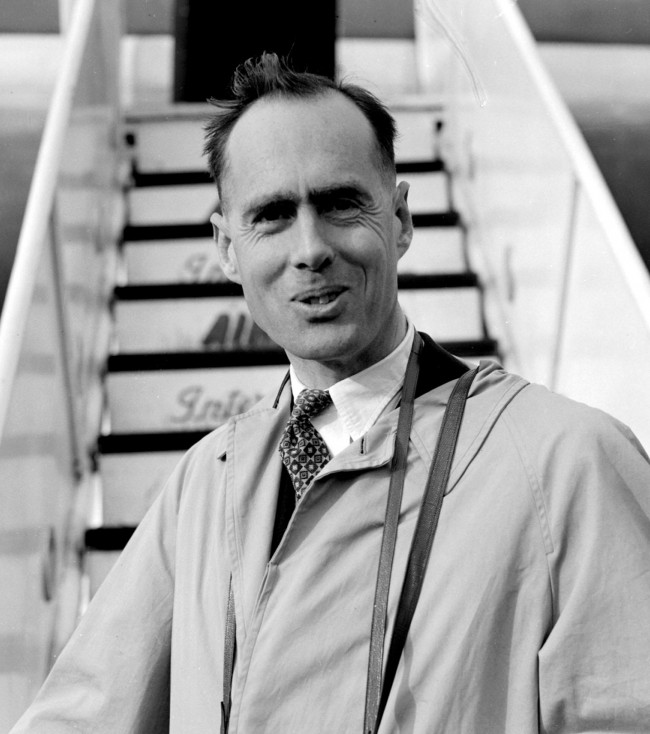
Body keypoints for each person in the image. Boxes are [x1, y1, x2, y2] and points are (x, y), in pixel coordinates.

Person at [10, 53, 650, 734]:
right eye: (273, 215)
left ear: (400, 219)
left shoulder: (570, 462)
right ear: (227, 248)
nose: (310, 248)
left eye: (341, 204)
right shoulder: (207, 483)